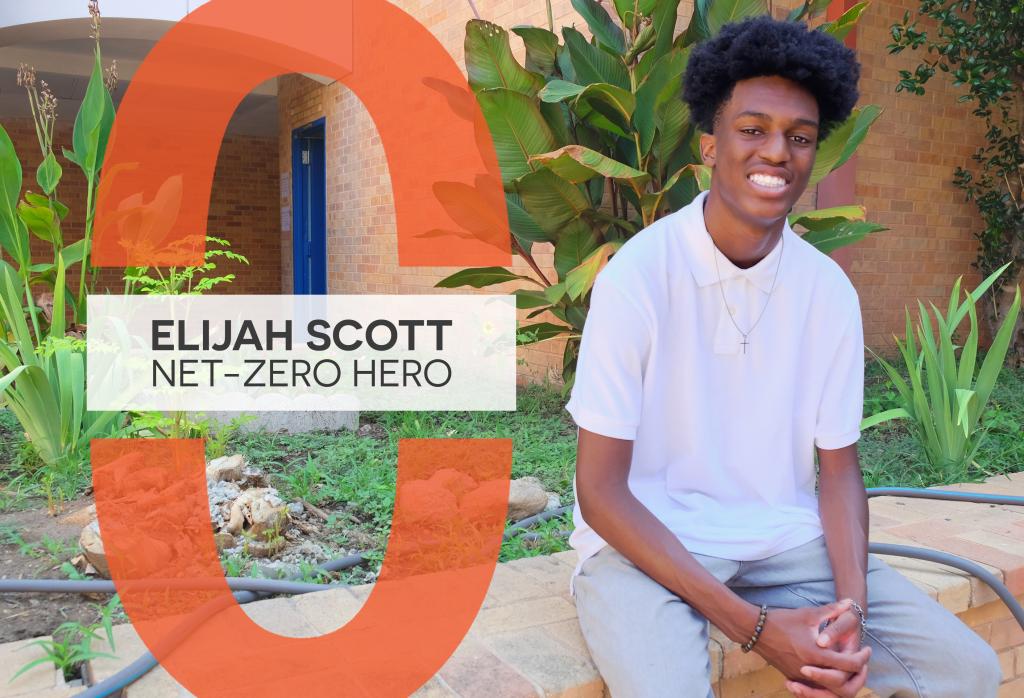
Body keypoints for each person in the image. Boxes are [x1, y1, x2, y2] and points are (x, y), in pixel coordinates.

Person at [565, 15, 1002, 698]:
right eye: (753, 129)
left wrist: (851, 608)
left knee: (966, 671)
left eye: (798, 138)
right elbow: (600, 491)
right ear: (710, 146)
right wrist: (758, 630)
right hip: (647, 546)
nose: (777, 152)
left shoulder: (825, 290)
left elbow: (839, 473)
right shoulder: (640, 275)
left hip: (786, 546)